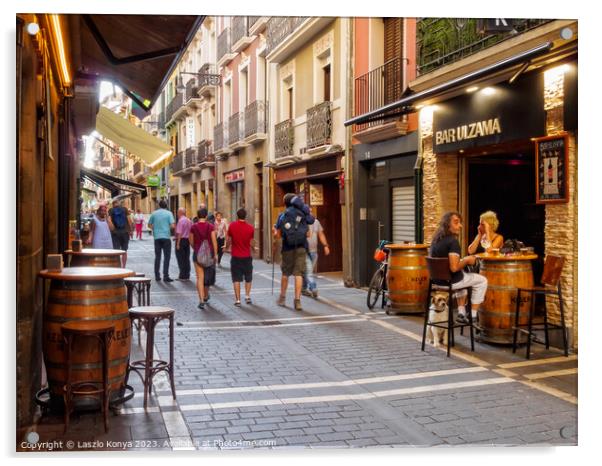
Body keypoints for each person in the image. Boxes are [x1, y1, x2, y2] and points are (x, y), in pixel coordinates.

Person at [430, 211, 488, 324]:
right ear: (447, 224)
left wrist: (462, 261)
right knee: (482, 280)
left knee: (463, 280)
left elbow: (449, 263)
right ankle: (473, 315)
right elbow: (453, 268)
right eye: (456, 222)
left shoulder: (436, 240)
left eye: (460, 223)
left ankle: (461, 313)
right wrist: (466, 260)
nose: (460, 226)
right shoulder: (453, 242)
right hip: (449, 282)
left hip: (437, 281)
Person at [274, 193, 315, 311]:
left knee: (285, 274)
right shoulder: (302, 214)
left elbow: (278, 235)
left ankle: (282, 297)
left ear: (285, 203)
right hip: (301, 248)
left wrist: (275, 233)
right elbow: (308, 234)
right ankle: (297, 301)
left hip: (287, 248)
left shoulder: (282, 216)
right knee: (298, 274)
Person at [224, 208, 256, 306]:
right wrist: (254, 249)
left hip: (236, 256)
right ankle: (247, 296)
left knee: (236, 278)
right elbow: (251, 242)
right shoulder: (251, 228)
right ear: (245, 216)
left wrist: (226, 247)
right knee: (248, 277)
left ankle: (238, 300)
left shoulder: (232, 226)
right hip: (247, 256)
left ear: (237, 215)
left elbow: (229, 239)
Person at [189, 208, 218, 309]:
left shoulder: (193, 227)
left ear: (197, 216)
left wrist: (197, 248)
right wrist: (215, 254)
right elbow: (214, 241)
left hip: (197, 255)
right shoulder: (210, 226)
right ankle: (206, 295)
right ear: (206, 216)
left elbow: (191, 241)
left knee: (199, 278)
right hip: (209, 254)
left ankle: (201, 300)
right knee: (208, 276)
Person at [302, 209, 330, 298]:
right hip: (304, 251)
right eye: (308, 211)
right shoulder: (301, 222)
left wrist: (325, 245)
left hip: (314, 251)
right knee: (309, 272)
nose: (310, 212)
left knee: (307, 272)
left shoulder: (316, 221)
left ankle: (304, 288)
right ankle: (313, 288)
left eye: (311, 211)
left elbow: (320, 234)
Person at [148, 200, 176, 282]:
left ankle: (157, 275)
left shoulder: (154, 213)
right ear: (166, 206)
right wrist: (167, 229)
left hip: (157, 238)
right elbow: (173, 226)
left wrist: (155, 229)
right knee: (166, 257)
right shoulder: (169, 213)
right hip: (166, 237)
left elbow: (149, 225)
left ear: (159, 205)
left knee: (157, 257)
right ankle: (166, 276)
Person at [108, 199, 132, 266]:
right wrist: (130, 231)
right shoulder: (124, 209)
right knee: (124, 251)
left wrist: (111, 229)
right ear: (119, 203)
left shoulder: (111, 210)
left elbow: (109, 221)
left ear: (113, 204)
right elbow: (129, 221)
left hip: (115, 233)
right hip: (125, 232)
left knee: (116, 251)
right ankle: (124, 266)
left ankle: (118, 266)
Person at [175, 207, 192, 281]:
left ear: (180, 213)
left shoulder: (180, 220)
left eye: (178, 212)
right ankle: (187, 275)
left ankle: (182, 275)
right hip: (187, 240)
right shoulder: (189, 220)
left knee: (180, 258)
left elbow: (180, 233)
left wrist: (178, 244)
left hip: (181, 241)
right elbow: (191, 232)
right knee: (186, 258)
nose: (177, 214)